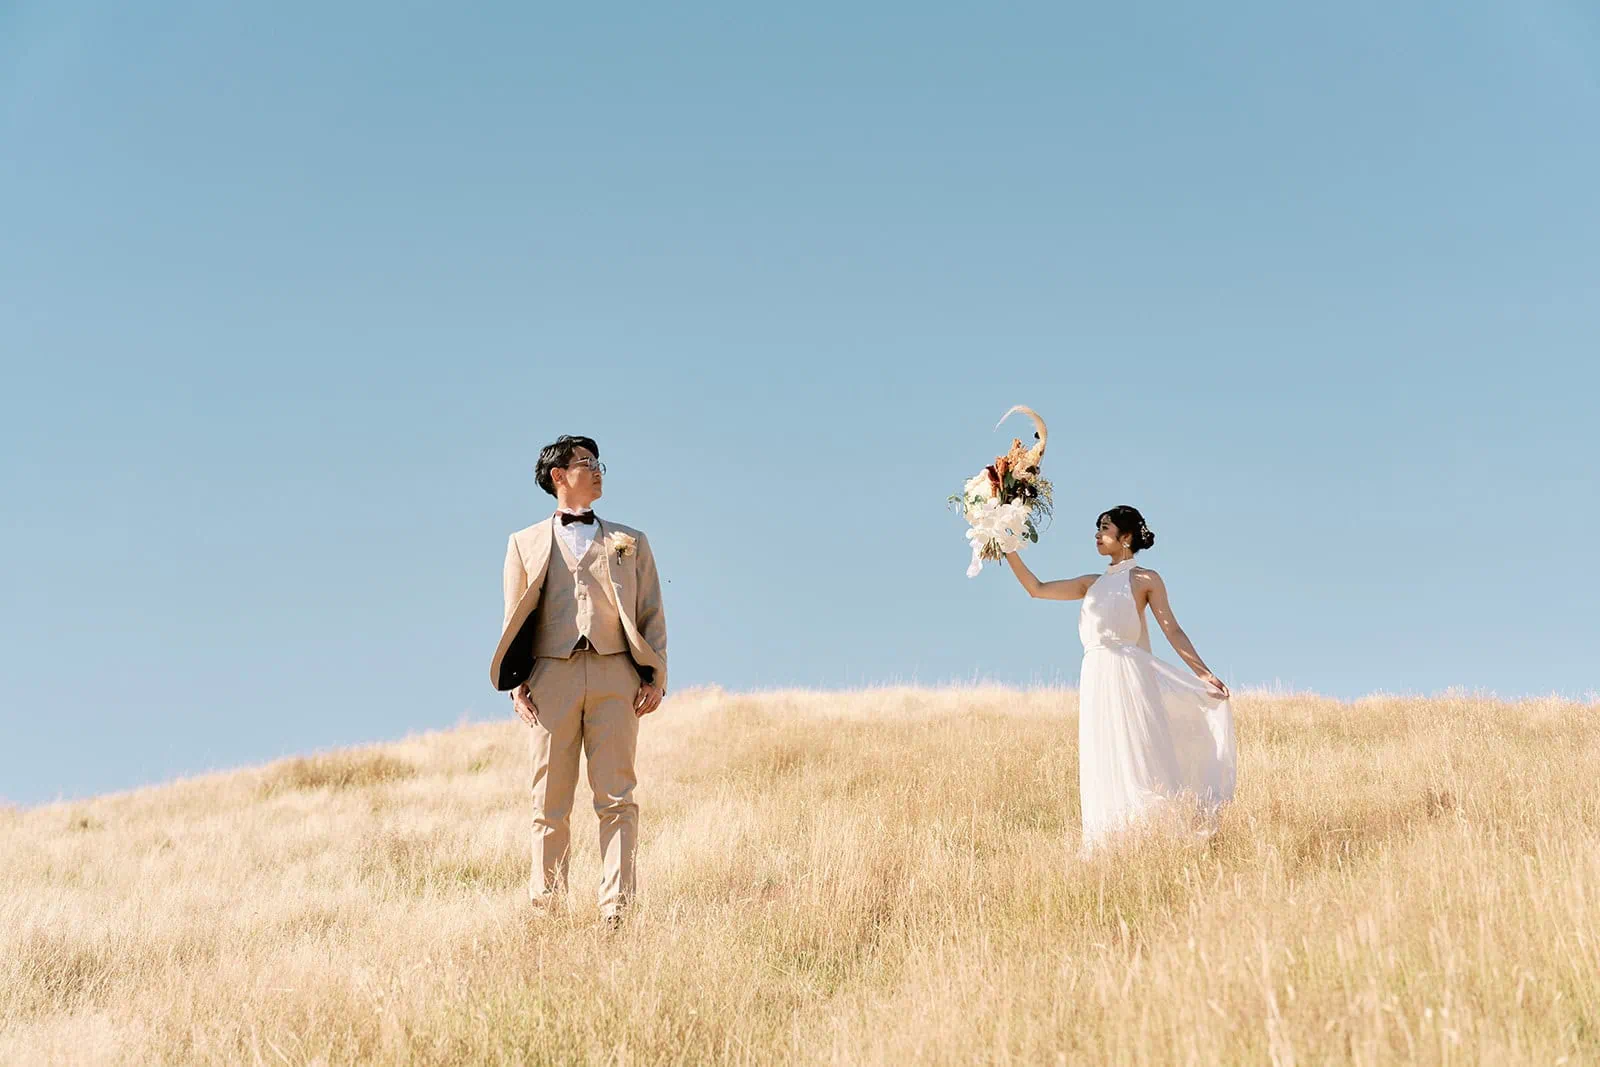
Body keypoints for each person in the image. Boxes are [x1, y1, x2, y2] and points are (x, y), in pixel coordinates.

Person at [490, 435, 667, 926]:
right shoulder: (522, 543)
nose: (597, 470)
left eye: (598, 462)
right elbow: (513, 619)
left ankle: (617, 910)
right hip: (551, 677)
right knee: (548, 803)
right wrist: (516, 684)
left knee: (617, 799)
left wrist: (656, 675)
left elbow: (652, 611)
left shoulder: (630, 541)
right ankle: (548, 912)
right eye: (585, 464)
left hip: (616, 674)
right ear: (558, 477)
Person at [1004, 506, 1235, 851]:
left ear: (1125, 537)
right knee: (1102, 749)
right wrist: (1006, 544)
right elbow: (1035, 588)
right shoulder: (1090, 584)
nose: (1097, 534)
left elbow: (1172, 628)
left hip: (1129, 672)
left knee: (1138, 743)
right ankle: (1109, 837)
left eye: (1105, 528)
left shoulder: (1146, 580)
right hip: (1095, 674)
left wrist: (1203, 672)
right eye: (1097, 528)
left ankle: (1152, 829)